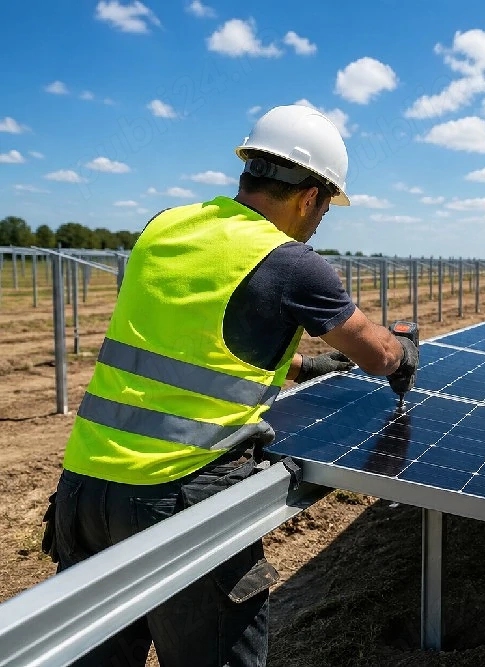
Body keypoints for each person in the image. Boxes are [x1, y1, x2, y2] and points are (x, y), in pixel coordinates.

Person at [42, 104, 419, 667]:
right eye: (324, 210)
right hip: (176, 499)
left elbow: (195, 345)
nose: (318, 223)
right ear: (309, 196)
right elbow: (377, 354)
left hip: (83, 492)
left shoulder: (165, 227)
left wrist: (300, 369)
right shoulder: (291, 262)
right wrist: (405, 350)